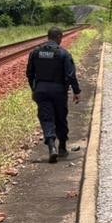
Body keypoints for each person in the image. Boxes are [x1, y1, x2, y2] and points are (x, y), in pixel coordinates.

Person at [26, 28, 81, 163]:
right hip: (59, 91)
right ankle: (62, 147)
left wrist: (34, 88)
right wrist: (76, 91)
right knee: (61, 117)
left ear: (48, 37)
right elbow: (70, 75)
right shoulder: (63, 54)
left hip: (41, 90)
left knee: (46, 118)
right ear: (59, 37)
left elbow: (29, 73)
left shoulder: (35, 52)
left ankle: (52, 146)